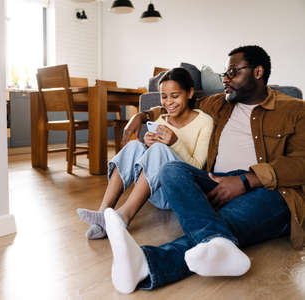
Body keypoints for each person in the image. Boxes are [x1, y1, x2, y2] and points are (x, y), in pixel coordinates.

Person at [103, 45, 305, 294]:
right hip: (213, 182)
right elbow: (177, 104)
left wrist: (246, 181)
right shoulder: (218, 103)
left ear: (258, 72)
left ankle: (144, 265)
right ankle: (215, 242)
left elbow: (301, 163)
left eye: (232, 72)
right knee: (171, 170)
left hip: (268, 190)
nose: (226, 80)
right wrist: (141, 116)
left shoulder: (295, 109)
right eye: (225, 74)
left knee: (222, 226)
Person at [77, 68, 214, 239]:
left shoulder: (204, 122)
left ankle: (124, 216)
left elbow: (197, 167)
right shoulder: (160, 120)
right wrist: (147, 145)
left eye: (175, 95)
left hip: (179, 191)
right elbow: (150, 166)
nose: (168, 102)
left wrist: (174, 143)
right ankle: (103, 214)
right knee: (135, 146)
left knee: (159, 149)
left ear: (190, 93)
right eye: (164, 97)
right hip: (156, 191)